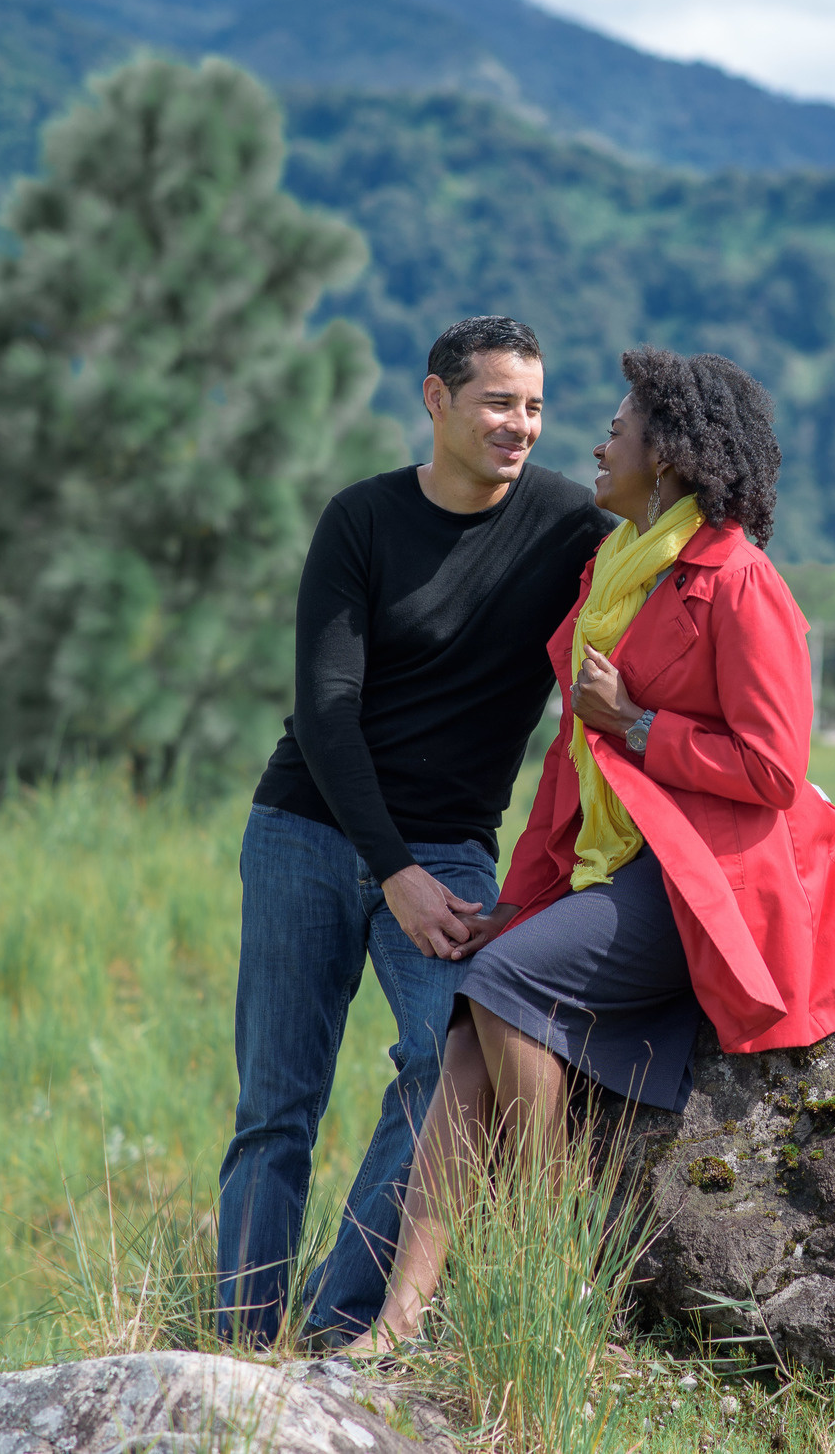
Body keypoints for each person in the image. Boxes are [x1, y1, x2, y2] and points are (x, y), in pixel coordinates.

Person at [355, 347, 835, 1351]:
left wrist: (642, 724)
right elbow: (571, 771)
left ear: (668, 456)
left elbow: (772, 768)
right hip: (627, 867)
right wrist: (522, 904)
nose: (600, 440)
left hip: (706, 878)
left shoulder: (737, 579)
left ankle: (555, 1261)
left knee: (501, 987)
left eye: (619, 426)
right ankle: (395, 1325)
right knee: (463, 1036)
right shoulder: (612, 575)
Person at [217, 315, 615, 1348]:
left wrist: (812, 806)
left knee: (447, 1067)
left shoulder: (573, 527)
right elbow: (325, 710)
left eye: (533, 405)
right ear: (435, 401)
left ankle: (339, 1322)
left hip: (450, 850)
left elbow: (702, 609)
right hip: (308, 826)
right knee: (277, 1104)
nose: (519, 424)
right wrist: (388, 868)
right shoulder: (361, 519)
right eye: (496, 401)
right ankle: (239, 1341)